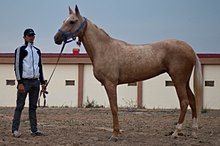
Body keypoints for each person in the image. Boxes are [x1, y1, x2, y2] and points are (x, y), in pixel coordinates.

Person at [12, 28, 47, 137]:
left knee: (33, 107)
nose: (31, 37)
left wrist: (42, 82)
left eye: (32, 35)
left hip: (35, 82)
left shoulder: (37, 51)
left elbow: (40, 67)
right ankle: (15, 130)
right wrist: (19, 82)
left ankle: (34, 130)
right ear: (25, 37)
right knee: (20, 106)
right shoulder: (20, 50)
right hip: (25, 81)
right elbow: (17, 66)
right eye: (29, 35)